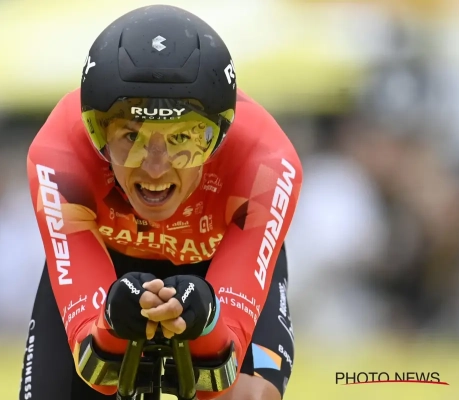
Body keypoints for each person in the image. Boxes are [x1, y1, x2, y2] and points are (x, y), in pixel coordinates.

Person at [20, 5, 302, 400]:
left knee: (250, 396)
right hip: (107, 260)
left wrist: (206, 321)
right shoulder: (61, 152)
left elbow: (220, 373)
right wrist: (113, 321)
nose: (155, 169)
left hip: (220, 259)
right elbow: (95, 366)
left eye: (181, 139)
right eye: (131, 138)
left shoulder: (266, 164)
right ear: (96, 134)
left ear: (218, 137)